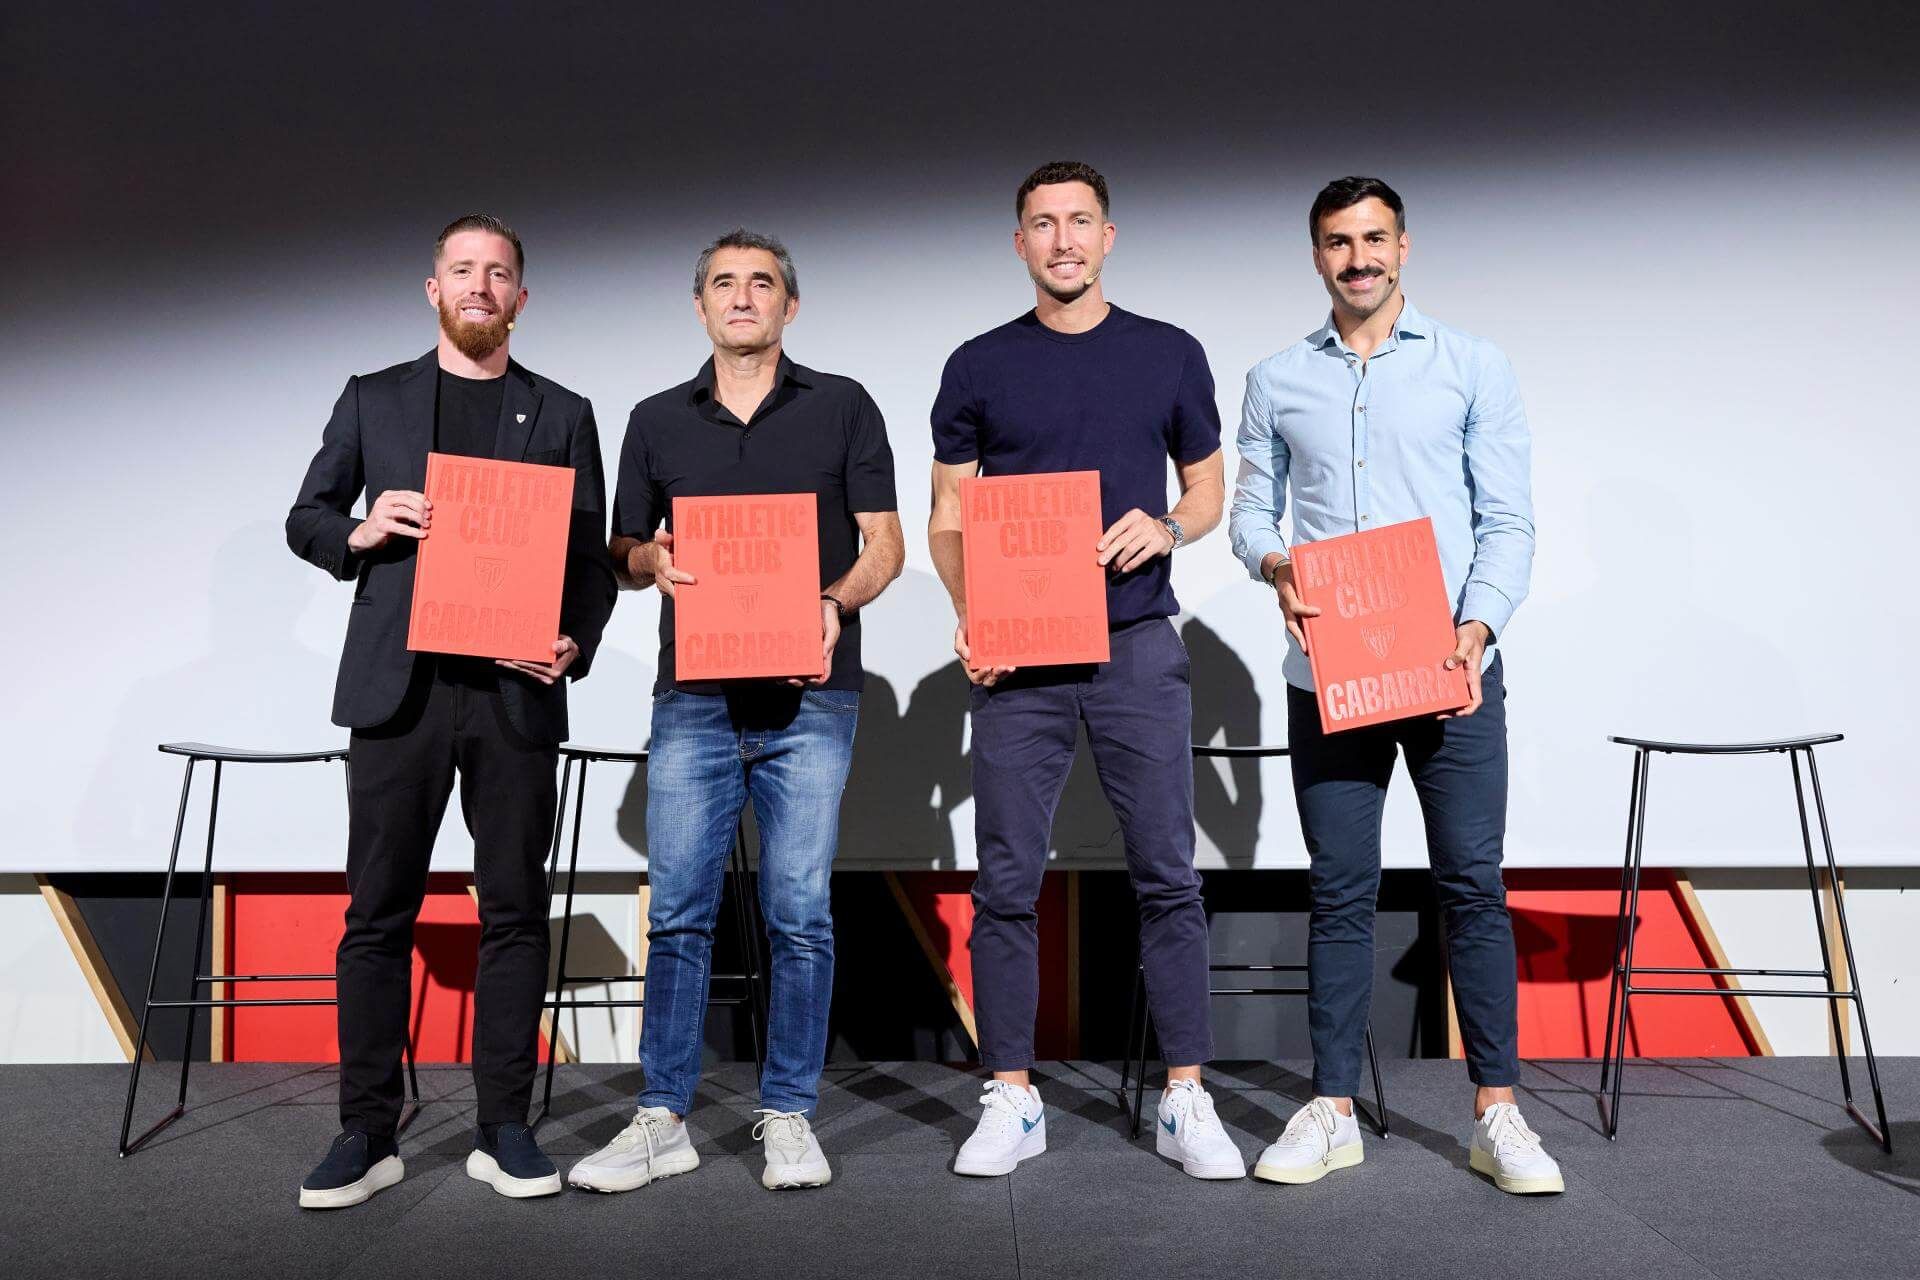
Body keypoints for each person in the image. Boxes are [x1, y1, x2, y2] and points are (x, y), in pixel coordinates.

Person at [1227, 176, 1561, 1195]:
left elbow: (1507, 520)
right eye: (1338, 241)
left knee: (1471, 885)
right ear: (1317, 253)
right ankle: (1330, 1108)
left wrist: (1480, 623)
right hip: (1328, 671)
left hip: (1451, 666)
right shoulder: (1277, 377)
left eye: (1374, 239)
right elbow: (1250, 510)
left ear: (1404, 247)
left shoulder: (1472, 366)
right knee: (1340, 890)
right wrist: (1276, 564)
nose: (1357, 257)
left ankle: (1497, 1113)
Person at [286, 214, 616, 1208]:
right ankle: (366, 1130)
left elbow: (591, 563)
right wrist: (363, 526)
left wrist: (574, 638)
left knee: (513, 911)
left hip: (515, 694)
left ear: (522, 296)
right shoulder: (372, 397)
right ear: (433, 287)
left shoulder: (561, 411)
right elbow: (306, 516)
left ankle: (503, 1126)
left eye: (499, 272)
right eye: (463, 270)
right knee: (377, 914)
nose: (481, 285)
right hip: (401, 692)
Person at [569, 229, 903, 1193]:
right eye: (725, 284)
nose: (744, 297)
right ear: (701, 305)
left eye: (762, 284)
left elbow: (885, 546)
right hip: (697, 699)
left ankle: (789, 1113)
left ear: (790, 307)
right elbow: (622, 552)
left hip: (813, 696)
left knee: (799, 914)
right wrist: (649, 562)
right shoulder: (655, 419)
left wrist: (835, 602)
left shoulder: (843, 406)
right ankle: (661, 1115)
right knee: (678, 913)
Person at [928, 161, 1241, 1180]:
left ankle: (1185, 1095)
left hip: (1139, 644)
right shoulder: (977, 364)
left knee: (1168, 873)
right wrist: (974, 611)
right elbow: (946, 518)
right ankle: (1012, 1096)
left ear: (1110, 236)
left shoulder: (1167, 353)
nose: (1061, 240)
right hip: (1021, 656)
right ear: (1018, 242)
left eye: (1079, 222)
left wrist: (1168, 526)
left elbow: (1206, 491)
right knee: (1008, 878)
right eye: (1041, 224)